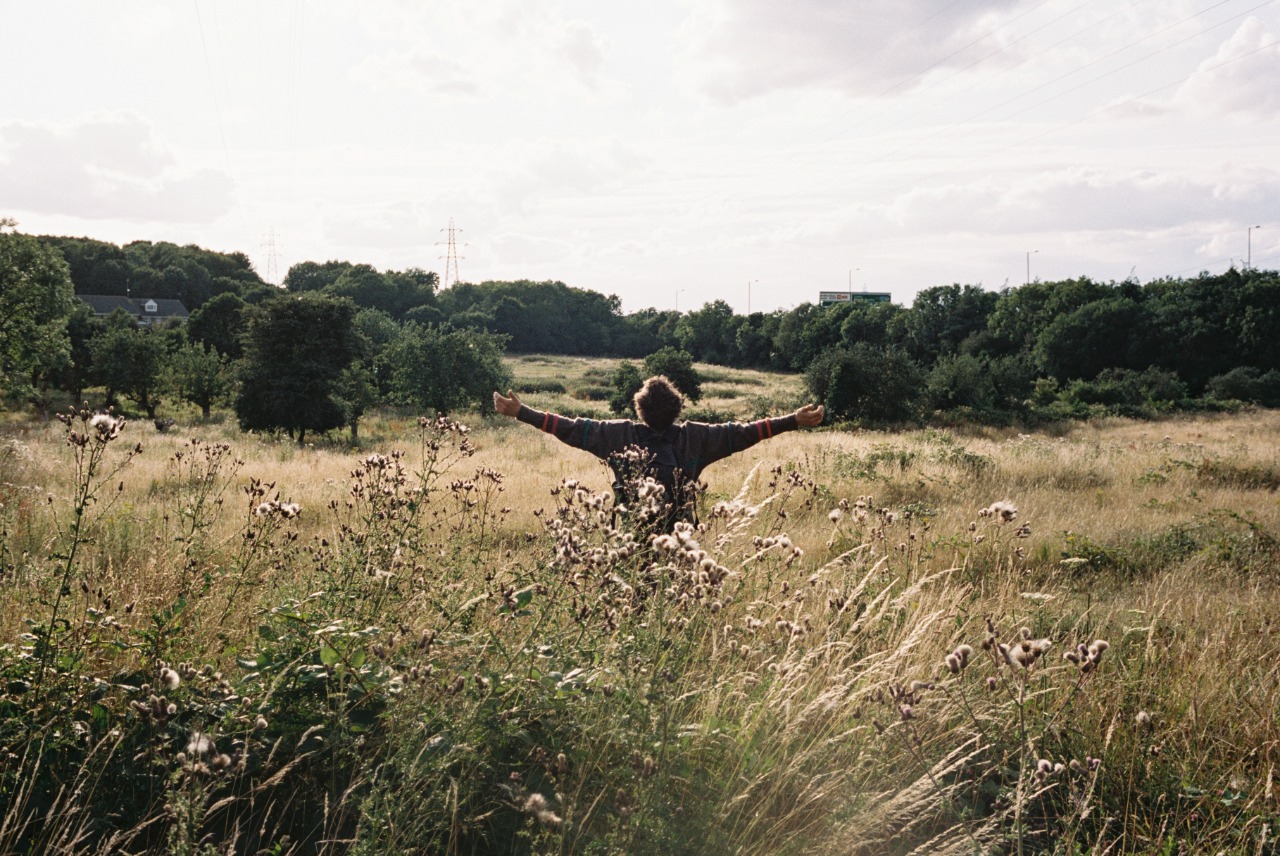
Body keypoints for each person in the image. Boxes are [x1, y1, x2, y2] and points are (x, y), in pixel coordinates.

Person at [492, 375, 824, 528]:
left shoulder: (617, 435)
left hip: (632, 543)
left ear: (640, 408)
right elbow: (744, 433)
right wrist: (792, 420)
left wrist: (522, 412)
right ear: (678, 409)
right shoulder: (696, 439)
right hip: (680, 542)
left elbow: (569, 427)